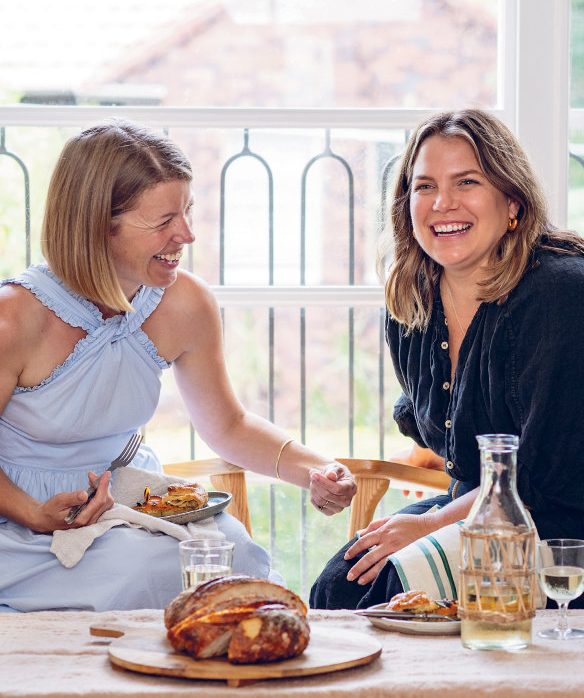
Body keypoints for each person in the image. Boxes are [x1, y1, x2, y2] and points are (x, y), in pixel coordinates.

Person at [0, 119, 356, 613]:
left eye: (187, 211)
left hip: (131, 502)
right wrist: (33, 513)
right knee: (149, 571)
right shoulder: (14, 319)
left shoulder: (184, 302)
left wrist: (315, 469)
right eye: (163, 220)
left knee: (234, 556)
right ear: (97, 224)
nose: (185, 234)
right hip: (17, 520)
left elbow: (228, 425)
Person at [310, 107, 584, 610]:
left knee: (391, 587)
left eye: (466, 182)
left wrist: (430, 524)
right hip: (474, 511)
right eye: (424, 186)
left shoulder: (560, 295)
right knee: (340, 585)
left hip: (559, 529)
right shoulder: (413, 302)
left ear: (513, 204)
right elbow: (447, 437)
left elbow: (539, 480)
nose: (442, 203)